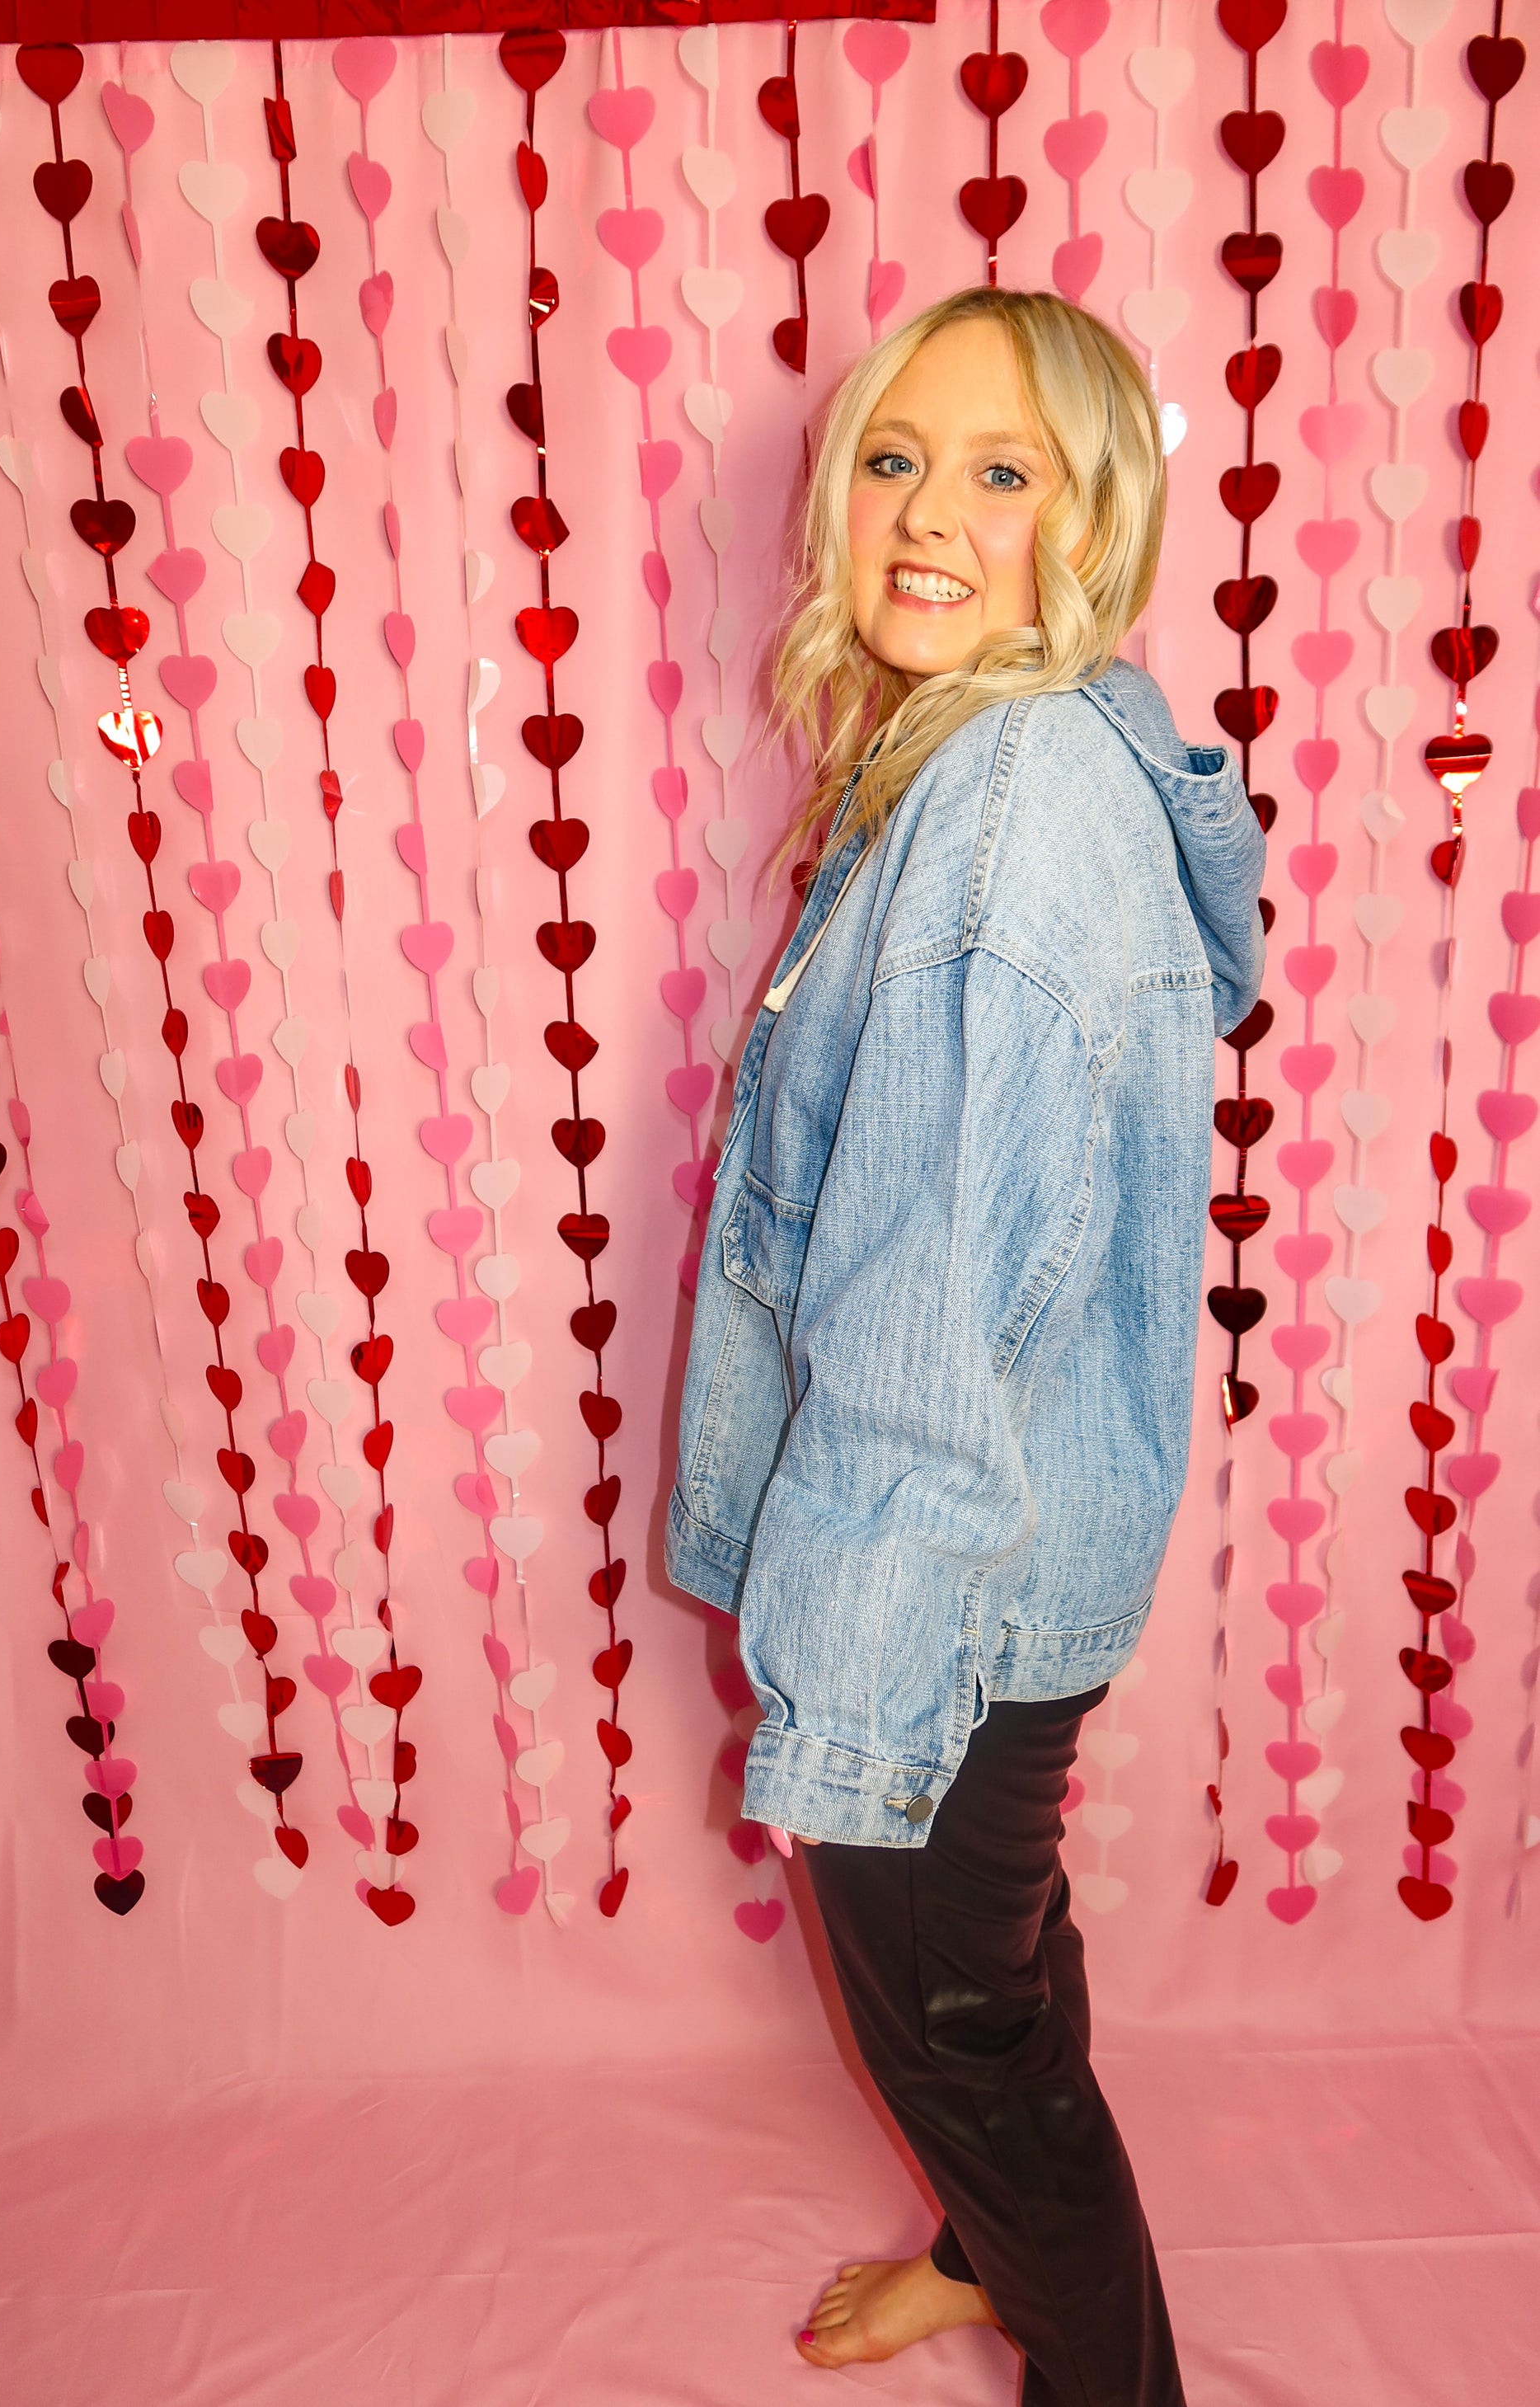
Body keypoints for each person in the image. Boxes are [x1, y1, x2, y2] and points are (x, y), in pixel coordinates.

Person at [665, 286, 1265, 2406]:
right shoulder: (1041, 737)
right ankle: (973, 2251)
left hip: (941, 1582)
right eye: (896, 460)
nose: (924, 514)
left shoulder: (1000, 818)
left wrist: (846, 1694)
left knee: (965, 2035)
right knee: (999, 1963)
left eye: (1000, 473)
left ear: (1089, 522)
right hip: (1028, 1554)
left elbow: (925, 1317)